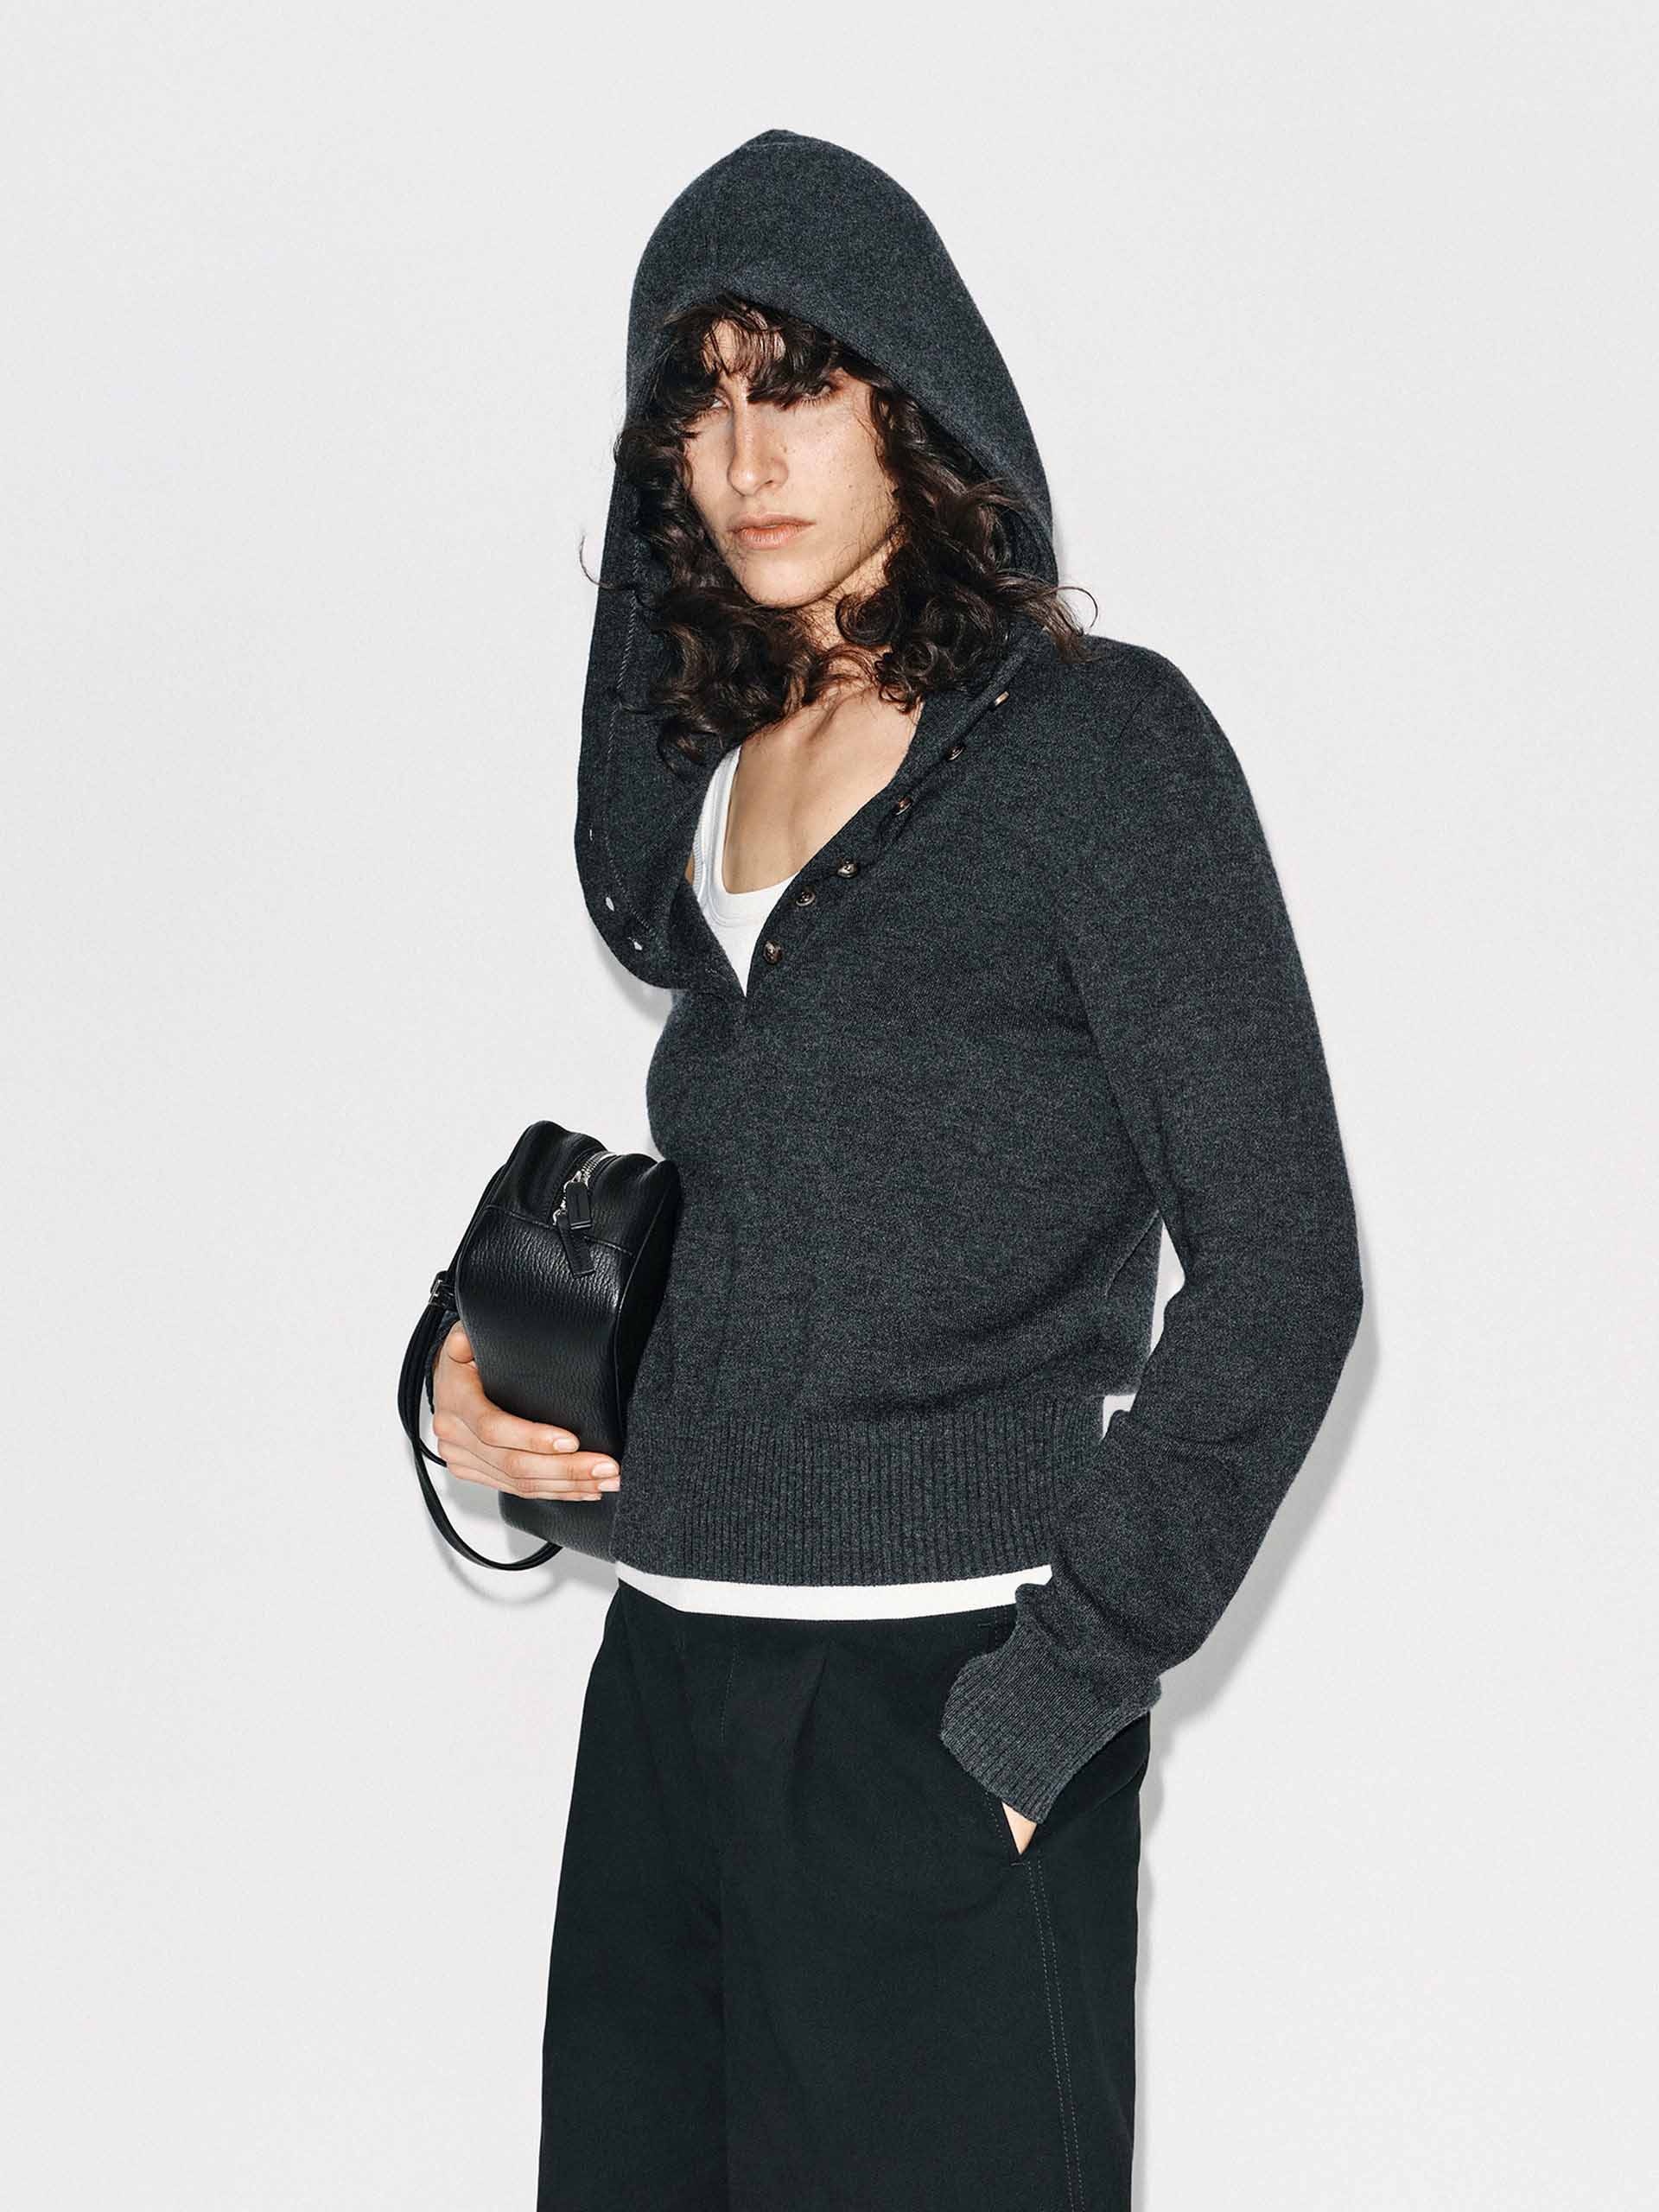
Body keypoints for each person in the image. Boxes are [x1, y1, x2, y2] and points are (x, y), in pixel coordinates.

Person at [428, 128, 1363, 2211]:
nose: (750, 454)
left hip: (936, 1700)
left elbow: (1288, 1265)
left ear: (914, 398)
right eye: (702, 402)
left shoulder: (1097, 753)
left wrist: (1044, 1713)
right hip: (663, 1700)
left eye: (804, 382)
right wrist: (484, 1389)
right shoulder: (709, 792)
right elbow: (771, 1240)